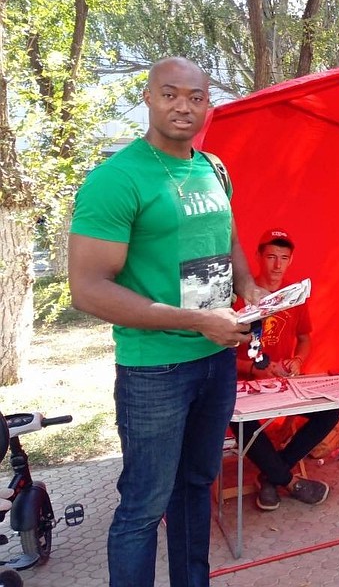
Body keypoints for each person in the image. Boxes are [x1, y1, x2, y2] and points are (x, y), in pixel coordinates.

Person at [68, 57, 263, 587]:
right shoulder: (117, 179)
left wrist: (249, 286)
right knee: (143, 507)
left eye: (195, 97)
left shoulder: (214, 168)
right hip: (154, 370)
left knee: (196, 486)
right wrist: (196, 320)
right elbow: (87, 289)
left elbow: (226, 235)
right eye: (170, 94)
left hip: (215, 361)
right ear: (149, 98)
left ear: (207, 104)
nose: (184, 106)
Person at [231, 228, 339, 511]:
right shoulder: (238, 297)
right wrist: (251, 369)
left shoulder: (296, 297)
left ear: (291, 260)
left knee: (330, 412)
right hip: (241, 388)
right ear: (257, 257)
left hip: (282, 384)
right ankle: (288, 481)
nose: (277, 265)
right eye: (271, 257)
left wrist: (298, 361)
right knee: (242, 423)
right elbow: (217, 353)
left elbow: (305, 339)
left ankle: (271, 474)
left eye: (284, 258)